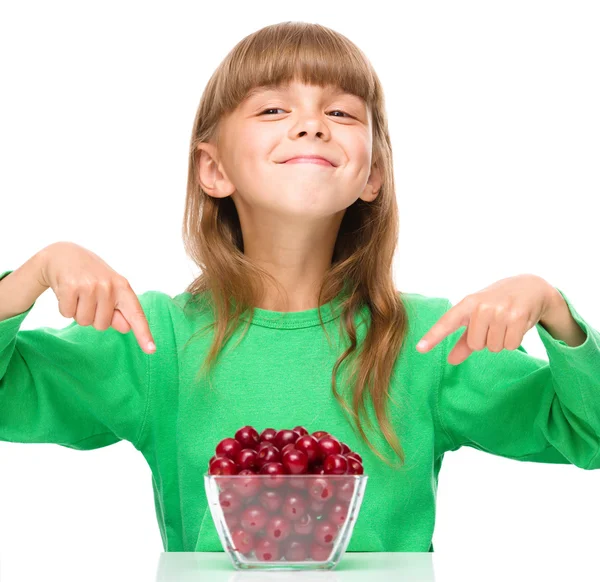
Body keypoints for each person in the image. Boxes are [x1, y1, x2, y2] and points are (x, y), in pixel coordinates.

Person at [0, 21, 598, 557]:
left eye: (341, 113)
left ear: (373, 174)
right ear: (213, 169)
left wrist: (554, 313)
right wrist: (31, 277)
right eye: (271, 111)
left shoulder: (429, 343)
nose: (312, 124)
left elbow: (588, 435)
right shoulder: (155, 341)